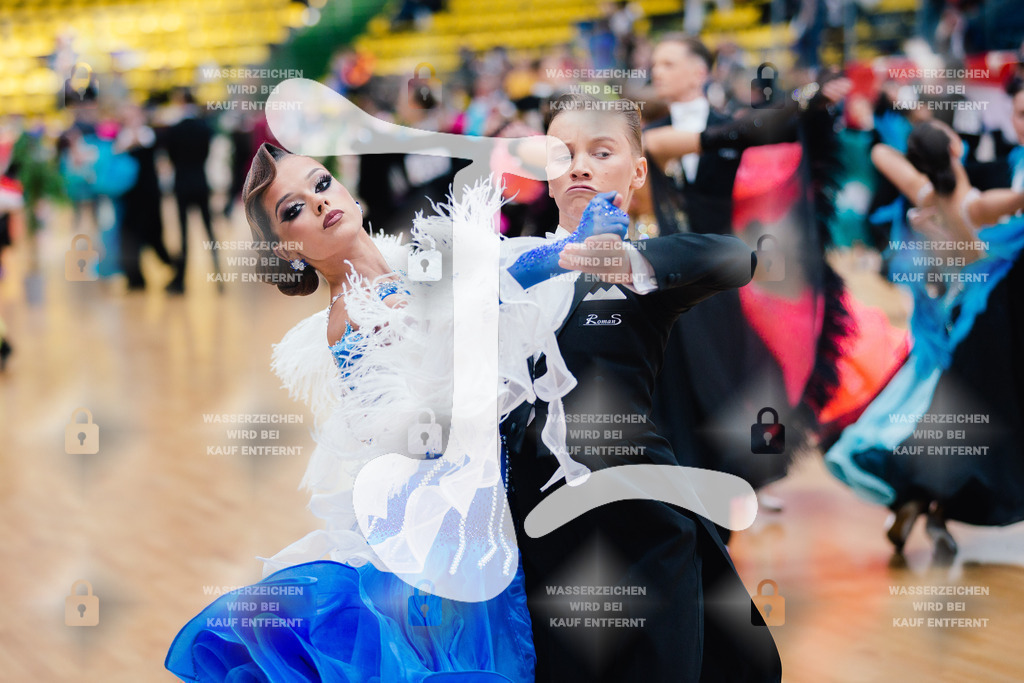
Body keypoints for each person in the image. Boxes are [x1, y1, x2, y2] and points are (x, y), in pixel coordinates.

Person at [165, 137, 648, 681]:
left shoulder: (405, 262)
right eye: (294, 210)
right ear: (287, 249)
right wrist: (567, 252)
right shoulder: (353, 312)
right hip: (435, 547)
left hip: (476, 519)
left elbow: (489, 270)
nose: (321, 202)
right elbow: (464, 312)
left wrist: (569, 247)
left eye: (322, 184)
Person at [501, 93, 781, 681]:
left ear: (636, 172)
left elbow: (734, 257)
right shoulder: (510, 262)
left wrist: (617, 257)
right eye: (563, 153)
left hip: (644, 531)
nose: (578, 165)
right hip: (540, 539)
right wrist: (562, 257)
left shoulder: (646, 268)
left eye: (601, 152)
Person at [825, 119, 1024, 559]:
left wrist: (925, 148)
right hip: (967, 325)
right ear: (955, 148)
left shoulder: (923, 193)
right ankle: (929, 507)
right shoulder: (979, 205)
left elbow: (880, 154)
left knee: (928, 415)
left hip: (933, 325)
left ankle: (917, 503)